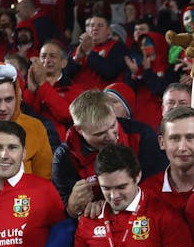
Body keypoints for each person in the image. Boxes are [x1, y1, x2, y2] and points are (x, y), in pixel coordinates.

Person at [72, 144, 194, 247]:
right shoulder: (89, 220)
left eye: (121, 187)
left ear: (137, 176)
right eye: (106, 188)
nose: (114, 196)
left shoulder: (163, 214)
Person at [52, 90, 167, 218]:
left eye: (113, 126)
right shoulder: (65, 157)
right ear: (79, 129)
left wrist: (109, 206)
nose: (111, 137)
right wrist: (72, 207)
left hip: (142, 213)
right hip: (91, 221)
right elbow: (63, 211)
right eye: (100, 134)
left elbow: (157, 186)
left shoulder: (142, 136)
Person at [0, 63, 53, 184]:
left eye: (9, 100)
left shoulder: (35, 128)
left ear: (17, 98)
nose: (3, 108)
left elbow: (44, 183)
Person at [141, 107, 194, 210]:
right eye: (174, 138)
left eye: (190, 137)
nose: (182, 147)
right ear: (162, 142)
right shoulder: (146, 192)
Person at [23, 41, 83, 141]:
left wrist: (42, 84)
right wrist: (31, 91)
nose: (47, 60)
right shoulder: (31, 87)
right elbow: (24, 115)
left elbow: (67, 115)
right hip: (31, 139)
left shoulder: (74, 89)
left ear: (64, 63)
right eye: (43, 56)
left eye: (52, 56)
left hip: (58, 143)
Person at [70, 14, 128, 90]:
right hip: (77, 96)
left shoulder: (118, 47)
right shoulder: (79, 48)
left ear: (109, 31)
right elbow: (64, 74)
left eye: (100, 25)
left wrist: (89, 52)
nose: (95, 28)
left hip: (103, 96)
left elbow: (110, 72)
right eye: (91, 25)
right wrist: (77, 59)